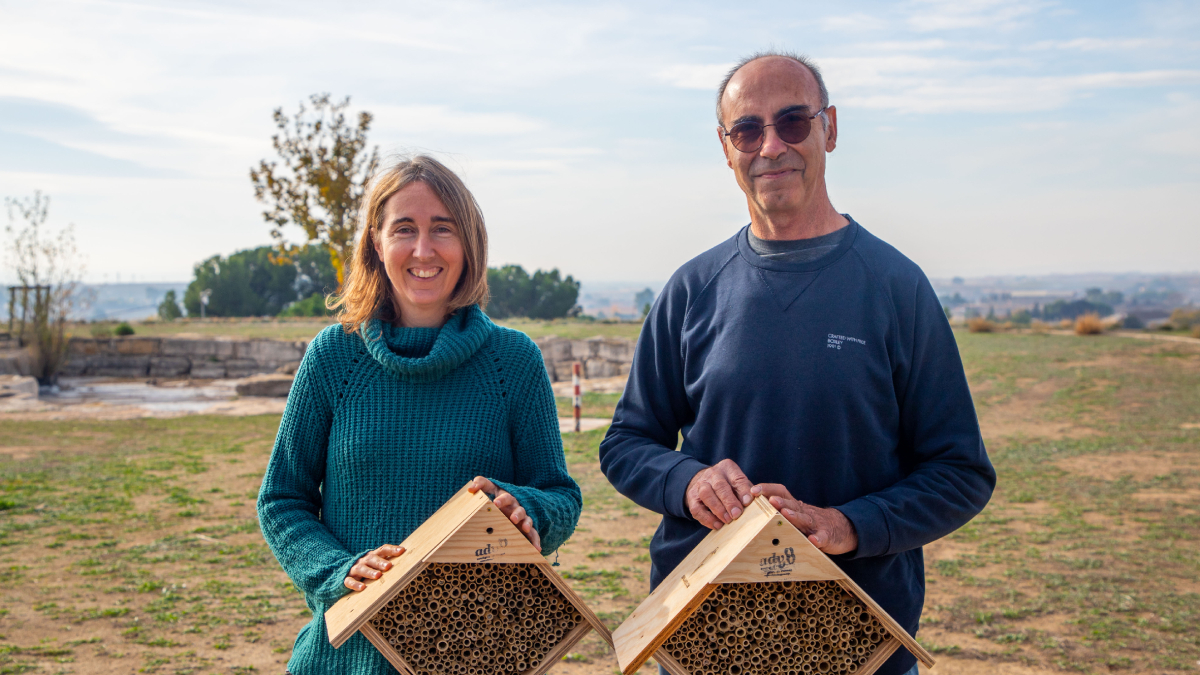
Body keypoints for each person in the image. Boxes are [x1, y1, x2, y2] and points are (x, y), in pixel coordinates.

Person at [599, 52, 996, 675]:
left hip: (856, 640)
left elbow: (961, 472)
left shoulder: (897, 286)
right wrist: (688, 482)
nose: (771, 146)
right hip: (701, 633)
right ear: (726, 148)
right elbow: (626, 443)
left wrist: (847, 525)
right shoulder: (691, 288)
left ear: (829, 128)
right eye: (748, 130)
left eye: (792, 122)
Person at [257, 155, 581, 674]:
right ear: (376, 243)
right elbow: (281, 499)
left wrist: (529, 510)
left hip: (477, 655)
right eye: (404, 229)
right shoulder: (333, 357)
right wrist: (338, 571)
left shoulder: (513, 360)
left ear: (468, 244)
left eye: (442, 229)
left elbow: (559, 493)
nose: (423, 250)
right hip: (345, 656)